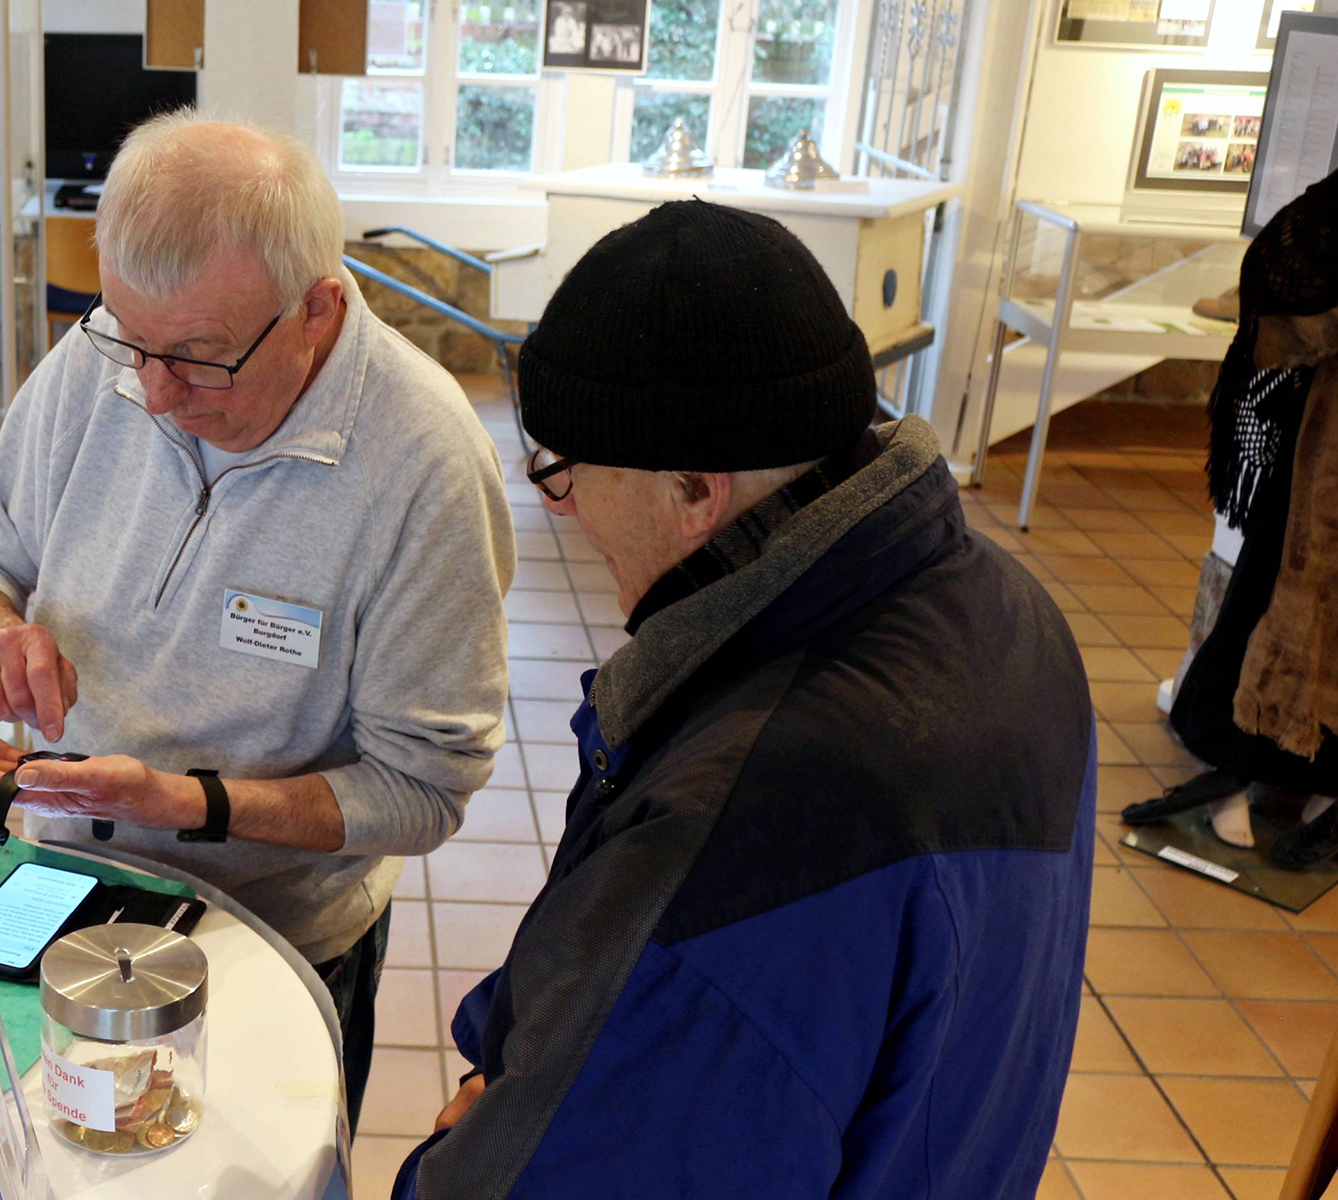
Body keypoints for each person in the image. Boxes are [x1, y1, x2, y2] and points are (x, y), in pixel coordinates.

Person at [395, 201, 1095, 1199]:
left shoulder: (750, 816)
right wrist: (527, 1067)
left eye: (565, 472)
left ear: (695, 491)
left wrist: (472, 1148)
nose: (563, 507)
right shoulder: (1006, 608)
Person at [0, 111, 517, 1130]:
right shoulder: (107, 360)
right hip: (64, 881)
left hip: (273, 938)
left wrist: (186, 804)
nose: (152, 395)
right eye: (130, 340)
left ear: (317, 308)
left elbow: (423, 791)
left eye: (201, 357)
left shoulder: (426, 465)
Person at [1123, 168, 1338, 864]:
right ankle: (1236, 763)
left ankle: (1319, 776)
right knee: (1275, 591)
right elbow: (1277, 272)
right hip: (1323, 455)